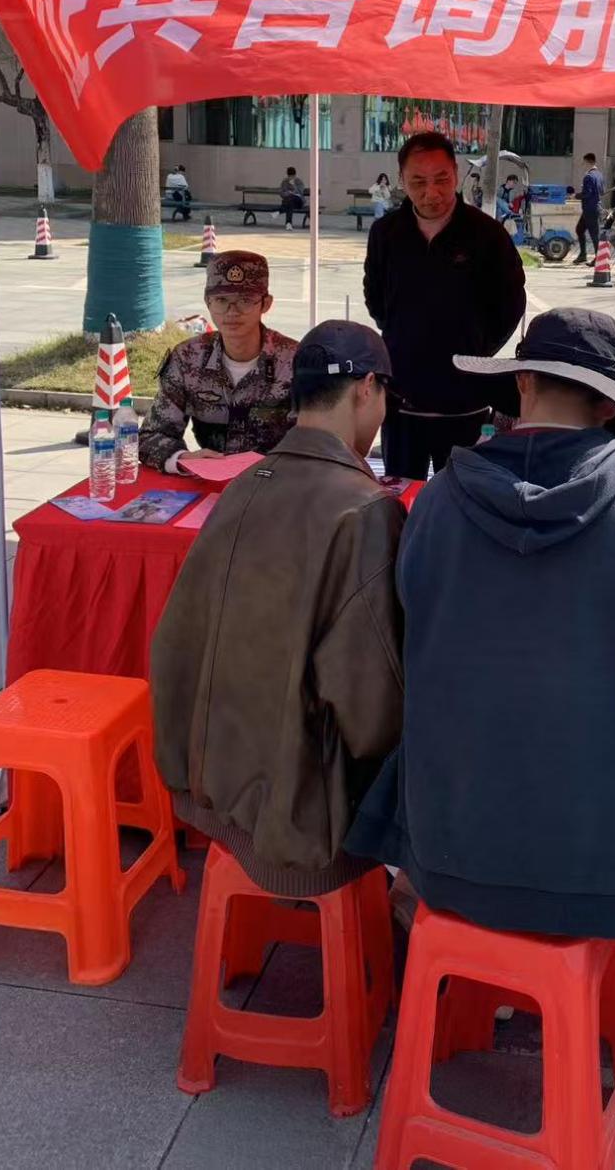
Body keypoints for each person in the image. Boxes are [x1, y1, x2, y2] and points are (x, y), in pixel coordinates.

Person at [348, 309, 615, 1078]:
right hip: (613, 859)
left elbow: (410, 639)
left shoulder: (435, 502)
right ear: (608, 405)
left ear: (522, 383)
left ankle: (481, 978)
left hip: (448, 836)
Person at [150, 320, 404, 897]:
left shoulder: (242, 484)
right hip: (301, 819)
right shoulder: (365, 511)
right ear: (367, 388)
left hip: (207, 782)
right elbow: (374, 714)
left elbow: (172, 644)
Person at [363, 131, 526, 479]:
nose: (431, 192)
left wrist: (474, 350)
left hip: (466, 398)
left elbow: (511, 304)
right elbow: (375, 298)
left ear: (456, 174)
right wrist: (404, 336)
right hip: (402, 396)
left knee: (463, 493)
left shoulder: (487, 235)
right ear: (402, 180)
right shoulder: (386, 234)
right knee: (400, 494)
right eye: (418, 182)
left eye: (441, 179)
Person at [139, 252, 297, 472]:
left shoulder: (294, 361)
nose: (232, 312)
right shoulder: (188, 358)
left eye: (245, 300)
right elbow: (152, 436)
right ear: (208, 302)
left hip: (277, 481)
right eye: (222, 300)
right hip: (210, 482)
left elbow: (319, 441)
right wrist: (184, 459)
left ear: (266, 304)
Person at [573, 152, 605, 264]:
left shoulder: (588, 177)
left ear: (588, 162)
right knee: (579, 229)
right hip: (593, 208)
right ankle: (583, 255)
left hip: (590, 209)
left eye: (584, 162)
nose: (583, 165)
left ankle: (598, 258)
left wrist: (576, 195)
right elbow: (602, 191)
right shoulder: (599, 175)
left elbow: (587, 193)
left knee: (594, 234)